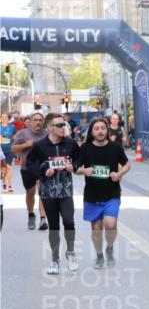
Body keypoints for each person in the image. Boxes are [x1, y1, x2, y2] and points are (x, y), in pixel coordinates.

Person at [26, 113, 81, 274]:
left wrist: (74, 166)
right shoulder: (40, 145)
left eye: (64, 124)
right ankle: (55, 260)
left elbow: (80, 158)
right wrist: (43, 173)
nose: (63, 128)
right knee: (54, 227)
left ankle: (70, 252)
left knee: (69, 221)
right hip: (48, 192)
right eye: (60, 125)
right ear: (50, 128)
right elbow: (30, 162)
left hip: (65, 191)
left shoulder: (70, 143)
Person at [73, 117, 130, 269]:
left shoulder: (115, 147)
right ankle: (99, 255)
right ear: (91, 132)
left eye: (103, 128)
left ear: (107, 130)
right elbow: (75, 168)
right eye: (96, 129)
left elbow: (127, 164)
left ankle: (109, 247)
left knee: (110, 224)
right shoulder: (85, 148)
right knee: (96, 229)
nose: (100, 131)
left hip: (112, 193)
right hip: (92, 195)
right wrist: (84, 170)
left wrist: (119, 174)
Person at [11, 112, 50, 230]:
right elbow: (13, 148)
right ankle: (31, 214)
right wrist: (26, 145)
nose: (38, 122)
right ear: (31, 122)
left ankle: (43, 219)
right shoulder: (23, 133)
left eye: (40, 120)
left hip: (43, 168)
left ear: (43, 122)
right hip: (27, 168)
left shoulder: (47, 134)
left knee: (43, 192)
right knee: (30, 194)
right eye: (35, 120)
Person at [0, 112, 15, 192]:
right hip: (1, 151)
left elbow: (15, 135)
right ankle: (4, 185)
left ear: (8, 118)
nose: (4, 118)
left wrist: (14, 140)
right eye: (3, 117)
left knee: (8, 167)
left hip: (9, 150)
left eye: (6, 117)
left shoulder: (12, 127)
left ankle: (10, 186)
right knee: (3, 168)